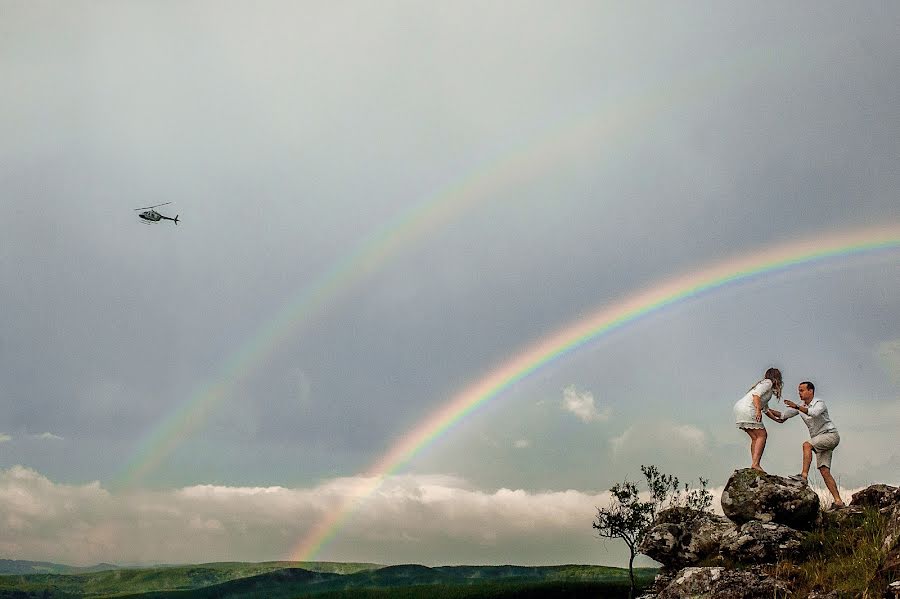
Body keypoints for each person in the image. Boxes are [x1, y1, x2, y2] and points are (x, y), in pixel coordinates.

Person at [770, 381, 845, 508]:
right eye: (799, 390)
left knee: (807, 445)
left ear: (811, 391)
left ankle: (803, 477)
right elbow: (782, 416)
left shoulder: (819, 403)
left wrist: (797, 407)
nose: (799, 393)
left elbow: (814, 413)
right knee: (824, 471)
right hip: (819, 439)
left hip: (830, 435)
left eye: (802, 390)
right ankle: (838, 501)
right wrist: (765, 409)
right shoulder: (800, 406)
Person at [733, 367, 784, 473]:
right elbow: (756, 396)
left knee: (755, 438)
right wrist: (757, 411)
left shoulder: (765, 386)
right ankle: (756, 464)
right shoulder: (768, 383)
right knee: (762, 435)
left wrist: (776, 419)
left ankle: (754, 463)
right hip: (749, 409)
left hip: (740, 408)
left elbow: (766, 409)